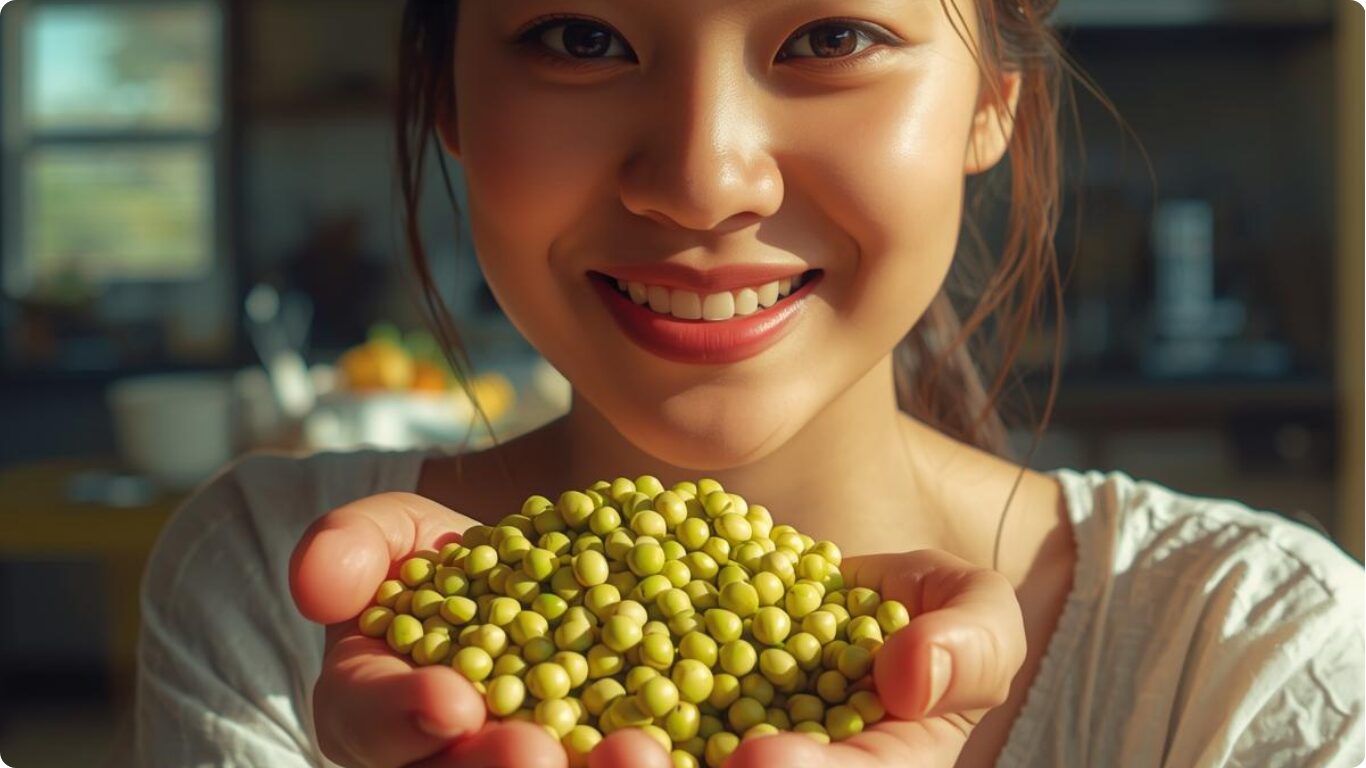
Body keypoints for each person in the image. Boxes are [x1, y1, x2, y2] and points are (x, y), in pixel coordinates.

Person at [131, 1, 1365, 766]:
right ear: (445, 93)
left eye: (830, 37)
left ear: (994, 102)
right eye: (579, 36)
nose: (702, 178)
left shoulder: (1255, 657)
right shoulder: (279, 596)